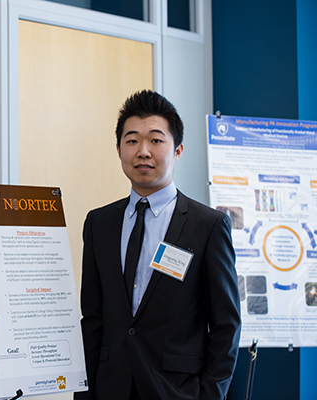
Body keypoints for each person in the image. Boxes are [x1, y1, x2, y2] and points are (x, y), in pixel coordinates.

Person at [76, 90, 241, 400]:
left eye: (155, 140)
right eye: (132, 140)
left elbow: (226, 325)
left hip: (177, 390)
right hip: (111, 388)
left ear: (177, 150)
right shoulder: (99, 223)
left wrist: (210, 394)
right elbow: (94, 319)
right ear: (118, 149)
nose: (143, 151)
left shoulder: (207, 226)